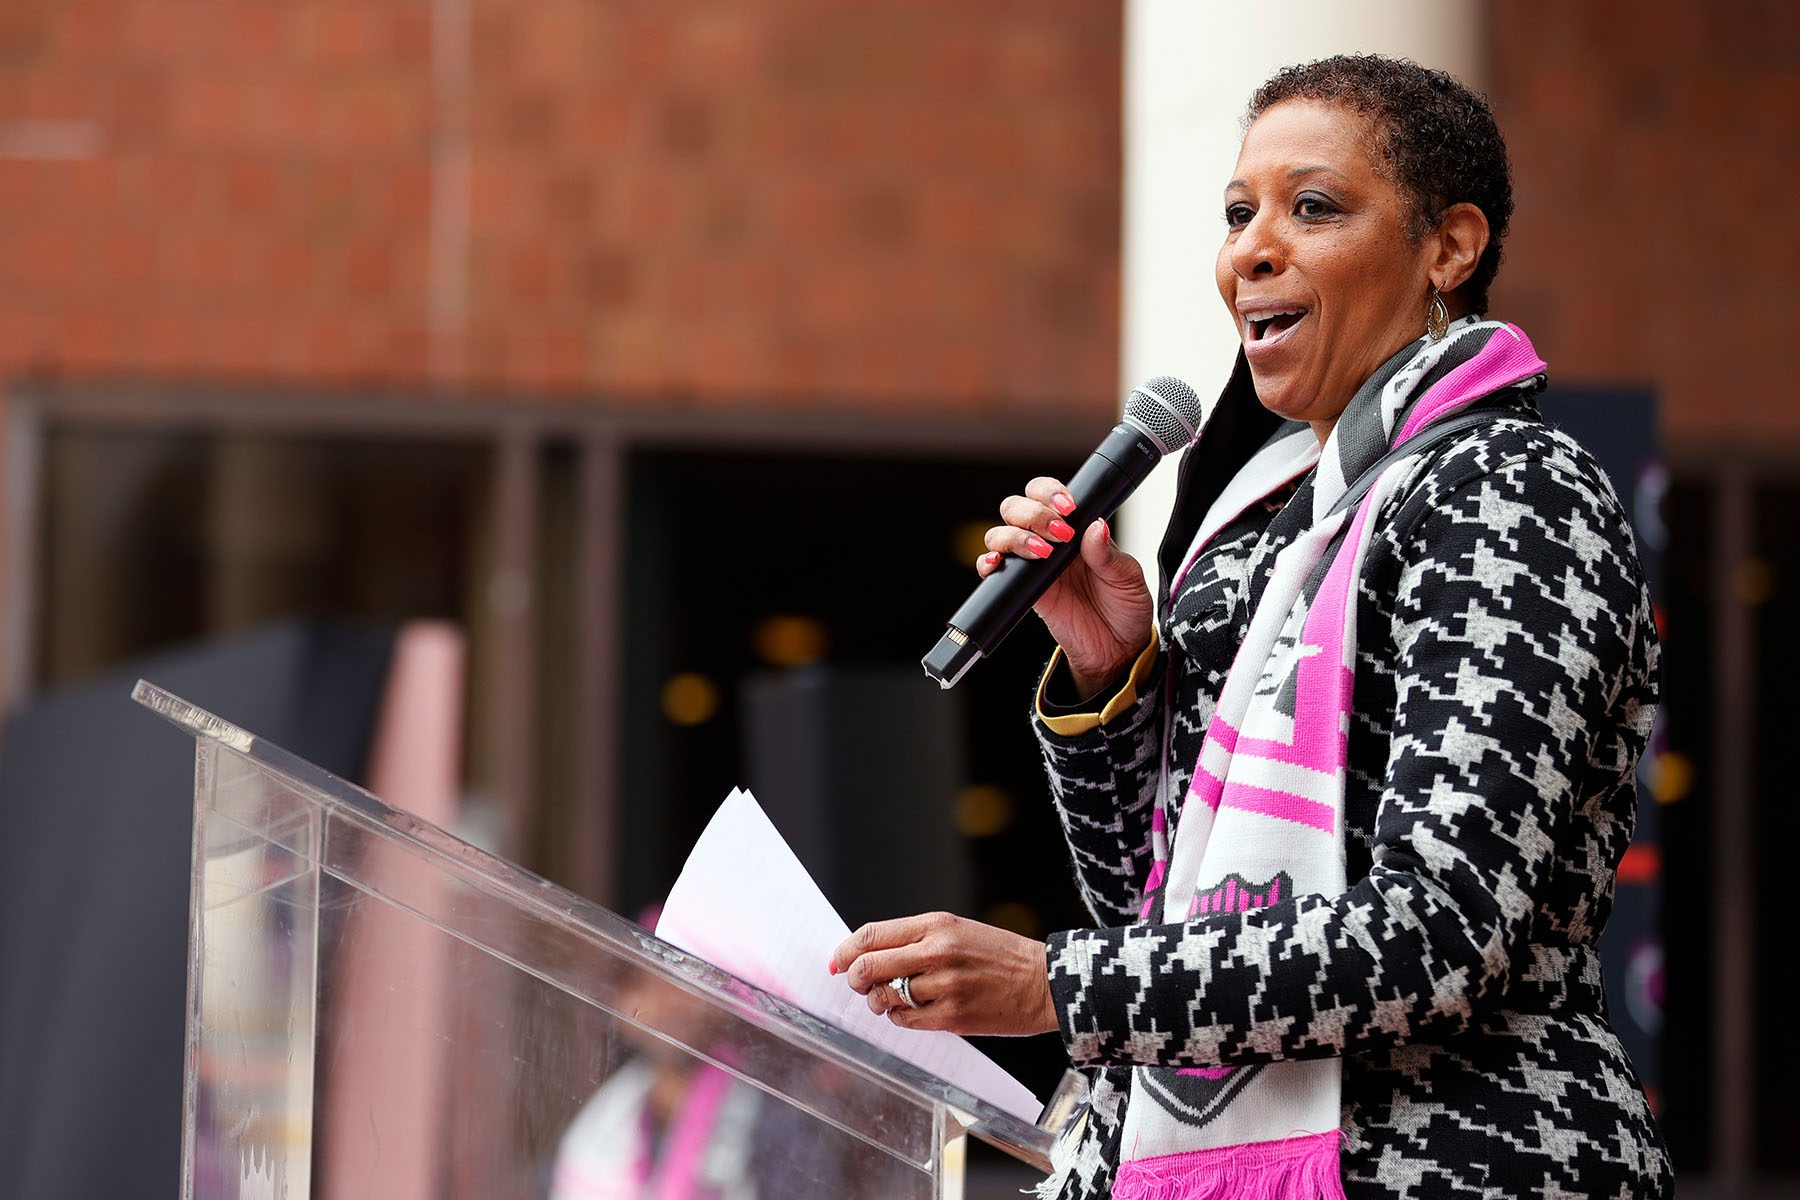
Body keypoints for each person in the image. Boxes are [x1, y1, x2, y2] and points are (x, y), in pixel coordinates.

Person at [829, 54, 1671, 1198]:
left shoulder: (1511, 488)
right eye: (1239, 214)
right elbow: (1159, 907)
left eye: (1312, 208)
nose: (1251, 250)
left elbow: (1441, 933)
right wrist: (1110, 669)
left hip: (1458, 1158)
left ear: (1451, 245)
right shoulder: (1262, 533)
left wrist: (1057, 988)